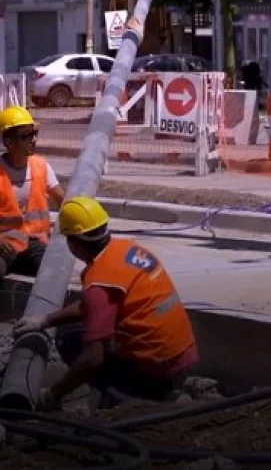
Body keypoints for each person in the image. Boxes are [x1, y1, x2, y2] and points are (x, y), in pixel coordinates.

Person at [13, 196, 199, 410]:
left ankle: (131, 400)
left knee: (73, 346)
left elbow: (93, 358)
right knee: (74, 335)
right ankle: (169, 390)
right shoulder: (125, 249)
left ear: (73, 243)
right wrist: (44, 321)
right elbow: (90, 307)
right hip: (181, 354)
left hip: (156, 366)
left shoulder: (99, 282)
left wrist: (53, 393)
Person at [0, 105, 65, 278]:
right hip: (4, 245)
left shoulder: (40, 166)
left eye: (34, 133)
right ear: (9, 142)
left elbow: (64, 203)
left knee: (52, 273)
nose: (33, 139)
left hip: (35, 243)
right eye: (26, 136)